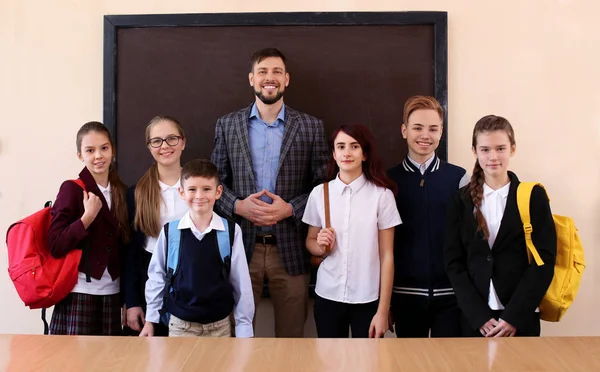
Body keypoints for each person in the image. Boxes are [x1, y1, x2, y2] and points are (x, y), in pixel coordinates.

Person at [211, 47, 328, 337]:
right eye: (263, 71)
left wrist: (290, 208)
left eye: (277, 72)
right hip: (240, 247)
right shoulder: (227, 125)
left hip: (290, 249)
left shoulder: (311, 127)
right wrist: (238, 206)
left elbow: (323, 187)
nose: (269, 78)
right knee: (237, 336)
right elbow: (214, 182)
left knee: (291, 339)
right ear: (252, 79)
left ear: (286, 79)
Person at [444, 115, 556, 337]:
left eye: (500, 148)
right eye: (485, 149)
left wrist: (514, 316)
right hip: (475, 318)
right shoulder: (460, 200)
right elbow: (453, 263)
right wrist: (478, 316)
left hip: (521, 316)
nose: (493, 156)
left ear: (512, 149)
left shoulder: (533, 196)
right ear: (475, 151)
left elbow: (544, 260)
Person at [303, 124, 401, 338]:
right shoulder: (320, 193)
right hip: (328, 295)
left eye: (354, 146)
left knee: (366, 364)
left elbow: (387, 256)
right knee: (329, 364)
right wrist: (319, 244)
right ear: (334, 154)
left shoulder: (381, 196)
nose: (347, 152)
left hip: (367, 299)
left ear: (364, 154)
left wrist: (383, 311)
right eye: (341, 146)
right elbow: (310, 242)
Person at [140, 159, 254, 338]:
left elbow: (241, 283)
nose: (199, 196)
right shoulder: (171, 232)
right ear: (182, 192)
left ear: (218, 192)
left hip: (220, 327)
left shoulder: (231, 231)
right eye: (192, 189)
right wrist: (150, 320)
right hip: (180, 326)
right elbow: (157, 276)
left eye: (206, 189)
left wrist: (244, 328)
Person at [387, 96, 468, 338]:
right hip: (405, 296)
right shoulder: (387, 182)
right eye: (417, 128)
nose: (425, 135)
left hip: (451, 297)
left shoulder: (459, 178)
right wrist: (386, 301)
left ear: (441, 132)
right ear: (404, 131)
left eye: (433, 129)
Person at [48, 121, 130, 335]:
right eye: (90, 150)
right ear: (80, 156)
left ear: (113, 150)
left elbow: (124, 247)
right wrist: (86, 218)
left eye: (104, 148)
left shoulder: (121, 190)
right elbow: (55, 244)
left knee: (109, 363)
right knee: (75, 364)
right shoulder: (72, 189)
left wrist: (127, 299)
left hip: (112, 292)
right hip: (79, 292)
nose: (98, 156)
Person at [122, 116, 188, 335]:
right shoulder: (137, 193)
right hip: (149, 281)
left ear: (183, 142)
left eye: (171, 139)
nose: (165, 146)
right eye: (157, 141)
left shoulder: (199, 189)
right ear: (149, 147)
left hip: (191, 279)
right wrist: (132, 302)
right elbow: (131, 252)